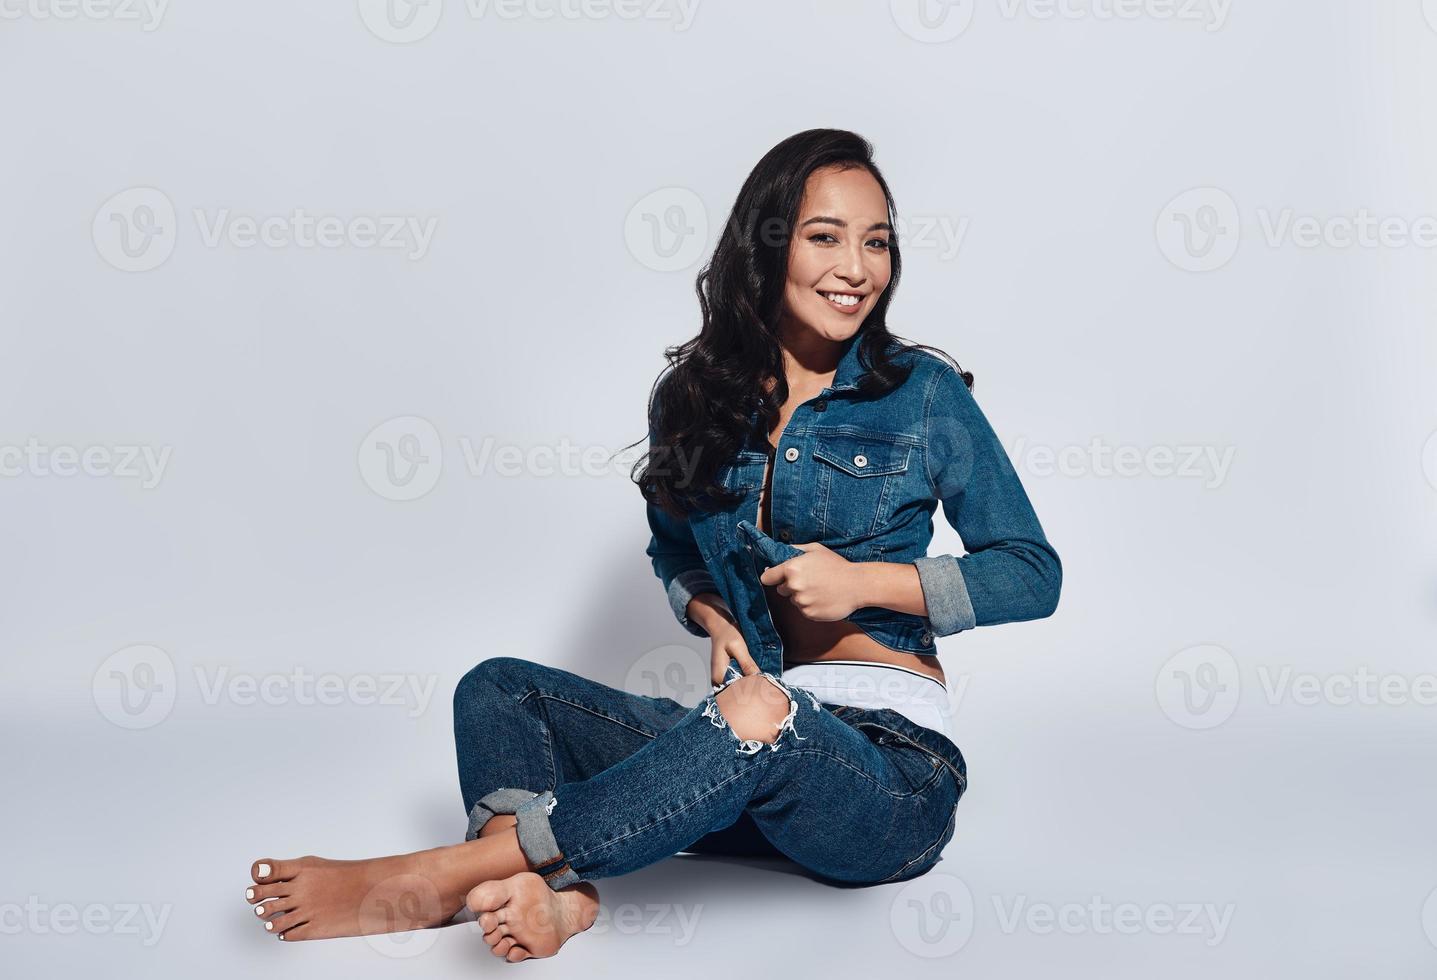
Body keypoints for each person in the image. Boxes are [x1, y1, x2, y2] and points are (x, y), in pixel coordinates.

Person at [242, 128, 1061, 962]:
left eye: (876, 241)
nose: (856, 267)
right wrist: (711, 613)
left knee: (759, 711)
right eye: (825, 236)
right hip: (735, 759)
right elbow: (673, 548)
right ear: (766, 245)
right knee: (498, 690)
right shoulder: (694, 399)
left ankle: (443, 875)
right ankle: (558, 900)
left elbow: (1031, 573)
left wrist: (863, 585)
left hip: (887, 778)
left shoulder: (919, 393)